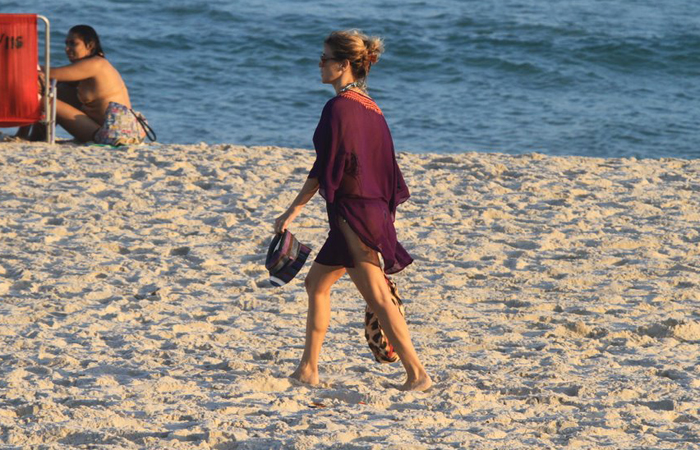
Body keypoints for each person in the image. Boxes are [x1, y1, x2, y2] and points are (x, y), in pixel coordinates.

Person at [274, 30, 432, 392]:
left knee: (376, 295)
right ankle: (308, 370)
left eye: (326, 58)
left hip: (353, 215)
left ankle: (417, 374)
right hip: (368, 211)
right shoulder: (371, 107)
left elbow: (324, 167)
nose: (320, 64)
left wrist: (291, 212)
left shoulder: (339, 107)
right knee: (316, 284)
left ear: (344, 65)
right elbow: (387, 170)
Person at [17, 25, 136, 143]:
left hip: (111, 134)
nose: (67, 49)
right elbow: (53, 82)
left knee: (44, 101)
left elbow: (51, 73)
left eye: (73, 44)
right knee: (59, 90)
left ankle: (28, 137)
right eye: (66, 44)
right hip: (118, 131)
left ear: (89, 45)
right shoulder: (95, 64)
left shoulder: (95, 64)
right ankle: (31, 137)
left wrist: (21, 64)